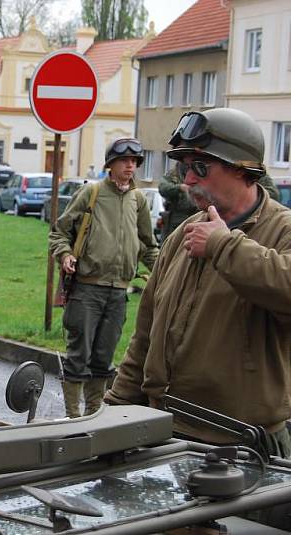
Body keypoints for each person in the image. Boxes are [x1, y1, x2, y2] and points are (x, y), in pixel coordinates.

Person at [104, 109, 291, 456]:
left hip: (244, 446)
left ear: (242, 168)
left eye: (200, 167)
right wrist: (114, 411)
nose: (188, 179)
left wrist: (222, 244)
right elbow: (145, 334)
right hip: (166, 434)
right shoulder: (182, 235)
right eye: (183, 167)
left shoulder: (282, 230)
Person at [48, 137, 159, 419]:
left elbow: (148, 244)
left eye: (135, 162)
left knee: (103, 357)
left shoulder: (138, 200)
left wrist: (163, 271)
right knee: (79, 354)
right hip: (87, 289)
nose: (130, 166)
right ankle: (73, 415)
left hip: (119, 292)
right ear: (111, 164)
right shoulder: (92, 193)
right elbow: (59, 231)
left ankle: (93, 414)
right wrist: (65, 255)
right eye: (125, 161)